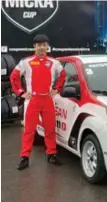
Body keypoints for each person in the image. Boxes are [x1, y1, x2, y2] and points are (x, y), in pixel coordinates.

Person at [10, 34, 66, 170]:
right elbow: (14, 76)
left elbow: (63, 75)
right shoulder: (26, 62)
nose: (41, 47)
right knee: (29, 130)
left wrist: (56, 89)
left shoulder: (54, 62)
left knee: (50, 129)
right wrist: (21, 93)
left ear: (47, 46)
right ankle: (25, 157)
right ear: (34, 46)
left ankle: (51, 154)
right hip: (32, 101)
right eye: (39, 45)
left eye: (44, 45)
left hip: (47, 99)